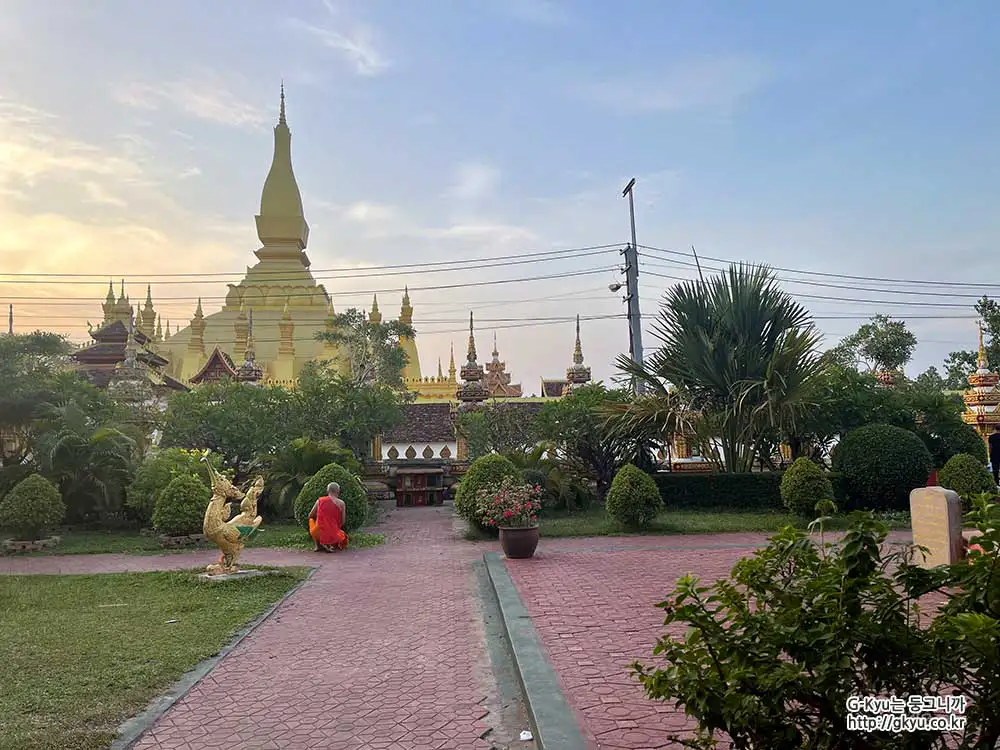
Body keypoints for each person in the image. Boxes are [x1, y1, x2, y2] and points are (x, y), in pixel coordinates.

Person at [308, 482, 349, 552]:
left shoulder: (320, 501)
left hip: (318, 533)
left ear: (327, 491)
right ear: (338, 491)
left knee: (311, 519)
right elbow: (343, 521)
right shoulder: (341, 503)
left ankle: (318, 545)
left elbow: (310, 515)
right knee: (342, 536)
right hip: (334, 534)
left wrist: (320, 516)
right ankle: (331, 544)